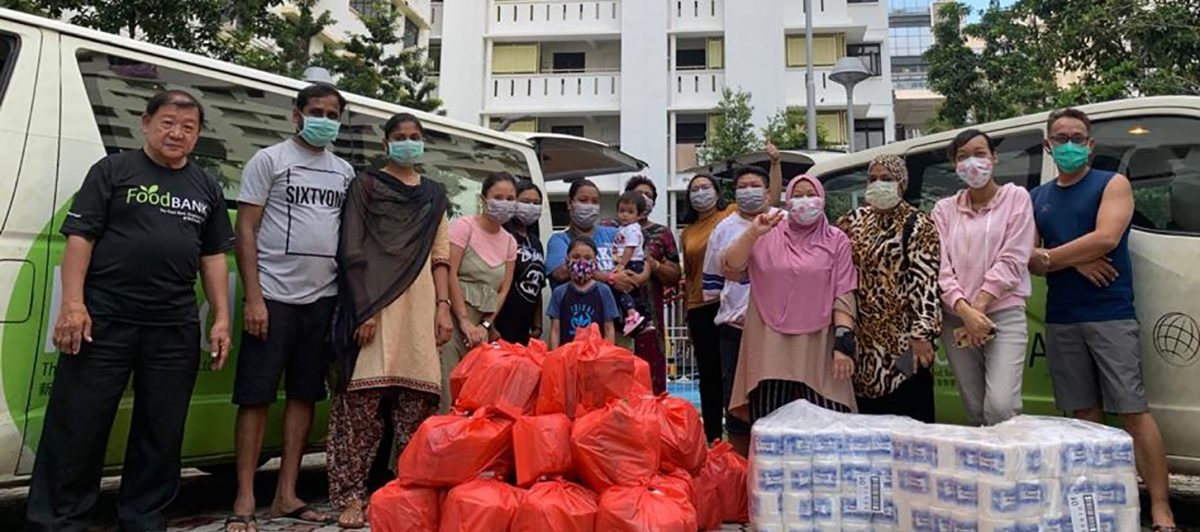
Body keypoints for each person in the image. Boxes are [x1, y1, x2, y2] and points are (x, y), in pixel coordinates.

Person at [27, 90, 234, 532]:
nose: (177, 133)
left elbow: (213, 255)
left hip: (173, 324)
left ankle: (143, 516)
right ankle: (59, 520)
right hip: (104, 319)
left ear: (197, 135)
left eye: (188, 126)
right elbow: (80, 239)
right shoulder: (112, 171)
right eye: (168, 123)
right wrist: (73, 304)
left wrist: (220, 317)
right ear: (145, 123)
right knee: (78, 423)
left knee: (161, 429)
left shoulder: (206, 186)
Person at [1029, 108, 1176, 531]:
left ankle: (1162, 508)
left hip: (1110, 312)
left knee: (1132, 410)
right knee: (1084, 414)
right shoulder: (1037, 198)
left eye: (1078, 137)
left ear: (1090, 144)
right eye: (1061, 137)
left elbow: (1106, 238)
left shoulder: (1112, 184)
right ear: (1048, 145)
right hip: (1061, 317)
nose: (1070, 144)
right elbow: (1029, 259)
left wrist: (1053, 256)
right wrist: (1074, 263)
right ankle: (1103, 503)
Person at [225, 83, 354, 531]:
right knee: (255, 398)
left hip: (323, 302)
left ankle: (286, 494)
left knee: (304, 397)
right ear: (296, 114)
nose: (324, 119)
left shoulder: (344, 172)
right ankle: (244, 497)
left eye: (332, 113)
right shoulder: (269, 160)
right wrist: (254, 297)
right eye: (315, 110)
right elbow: (246, 229)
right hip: (273, 298)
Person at [327, 112, 455, 529]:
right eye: (399, 137)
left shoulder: (435, 195)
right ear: (386, 144)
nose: (408, 143)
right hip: (374, 307)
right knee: (359, 410)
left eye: (415, 137)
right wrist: (364, 308)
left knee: (416, 409)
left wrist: (442, 306)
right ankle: (349, 497)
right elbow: (353, 248)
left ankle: (407, 495)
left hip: (420, 310)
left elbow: (440, 256)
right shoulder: (366, 185)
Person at [724, 175, 859, 423]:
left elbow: (843, 291)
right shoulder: (767, 233)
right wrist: (753, 232)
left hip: (818, 345)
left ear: (822, 198)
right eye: (797, 195)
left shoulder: (836, 239)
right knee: (772, 423)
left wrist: (843, 342)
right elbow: (731, 267)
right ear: (787, 201)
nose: (804, 201)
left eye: (811, 194)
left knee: (828, 421)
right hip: (769, 344)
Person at [933, 130, 1035, 427]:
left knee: (1001, 406)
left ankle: (1009, 470)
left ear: (994, 157)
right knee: (975, 407)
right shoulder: (944, 209)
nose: (972, 163)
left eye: (979, 153)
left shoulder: (1016, 198)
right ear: (955, 166)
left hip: (1002, 313)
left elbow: (1014, 258)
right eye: (962, 157)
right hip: (956, 319)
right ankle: (985, 469)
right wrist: (964, 311)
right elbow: (940, 266)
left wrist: (978, 308)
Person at [682, 141, 781, 444]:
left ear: (766, 192)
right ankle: (733, 458)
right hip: (732, 322)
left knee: (774, 393)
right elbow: (710, 279)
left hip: (777, 325)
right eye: (742, 186)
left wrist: (775, 163)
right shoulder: (723, 228)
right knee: (735, 396)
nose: (748, 190)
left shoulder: (783, 221)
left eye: (755, 185)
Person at [835, 154, 942, 423]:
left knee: (908, 420)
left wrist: (922, 334)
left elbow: (926, 283)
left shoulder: (918, 223)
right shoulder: (854, 220)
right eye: (872, 179)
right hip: (865, 339)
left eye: (887, 179)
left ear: (902, 184)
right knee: (869, 423)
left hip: (904, 340)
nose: (878, 184)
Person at [439, 172, 519, 410]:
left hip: (482, 330)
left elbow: (503, 289)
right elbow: (449, 272)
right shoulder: (464, 227)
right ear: (484, 199)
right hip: (451, 323)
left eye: (510, 198)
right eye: (498, 197)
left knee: (474, 396)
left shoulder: (509, 242)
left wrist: (485, 326)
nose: (504, 203)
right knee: (447, 390)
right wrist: (463, 321)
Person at [545, 179, 651, 347]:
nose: (589, 205)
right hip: (574, 331)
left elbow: (643, 257)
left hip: (617, 327)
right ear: (570, 204)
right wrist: (610, 278)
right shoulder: (559, 240)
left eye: (595, 201)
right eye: (583, 200)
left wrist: (639, 277)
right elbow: (561, 272)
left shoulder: (614, 233)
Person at [610, 175, 682, 394]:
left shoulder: (662, 233)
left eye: (649, 195)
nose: (644, 198)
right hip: (615, 311)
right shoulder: (610, 228)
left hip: (650, 312)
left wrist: (653, 265)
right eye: (639, 193)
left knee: (651, 371)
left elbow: (675, 274)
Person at [494, 180, 546, 344]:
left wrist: (538, 325)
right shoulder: (502, 236)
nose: (531, 207)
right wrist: (489, 324)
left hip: (525, 329)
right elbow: (494, 282)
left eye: (536, 203)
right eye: (525, 201)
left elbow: (538, 287)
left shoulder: (535, 242)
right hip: (500, 324)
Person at [548, 237, 620, 348]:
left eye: (587, 258)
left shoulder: (604, 291)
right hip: (567, 356)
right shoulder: (559, 292)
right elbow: (555, 330)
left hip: (595, 357)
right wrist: (554, 355)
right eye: (576, 257)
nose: (581, 262)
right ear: (567, 260)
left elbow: (609, 328)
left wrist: (606, 355)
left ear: (595, 261)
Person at [610, 190, 653, 336]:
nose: (625, 215)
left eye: (630, 212)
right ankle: (641, 319)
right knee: (633, 293)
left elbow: (630, 248)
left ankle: (632, 314)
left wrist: (622, 265)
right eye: (621, 211)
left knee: (622, 288)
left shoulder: (633, 229)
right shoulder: (623, 228)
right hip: (626, 261)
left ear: (639, 215)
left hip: (632, 262)